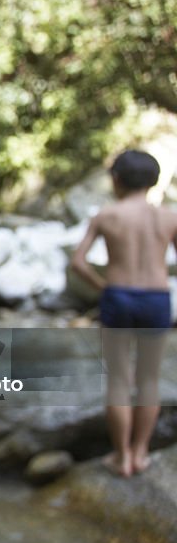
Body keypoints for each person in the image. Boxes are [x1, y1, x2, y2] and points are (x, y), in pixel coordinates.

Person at [71, 149, 177, 477]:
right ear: (153, 181)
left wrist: (102, 286)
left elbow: (78, 262)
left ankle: (121, 457)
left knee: (118, 379)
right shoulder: (170, 217)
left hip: (117, 296)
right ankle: (141, 452)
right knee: (148, 379)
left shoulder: (106, 216)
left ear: (116, 180)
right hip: (156, 297)